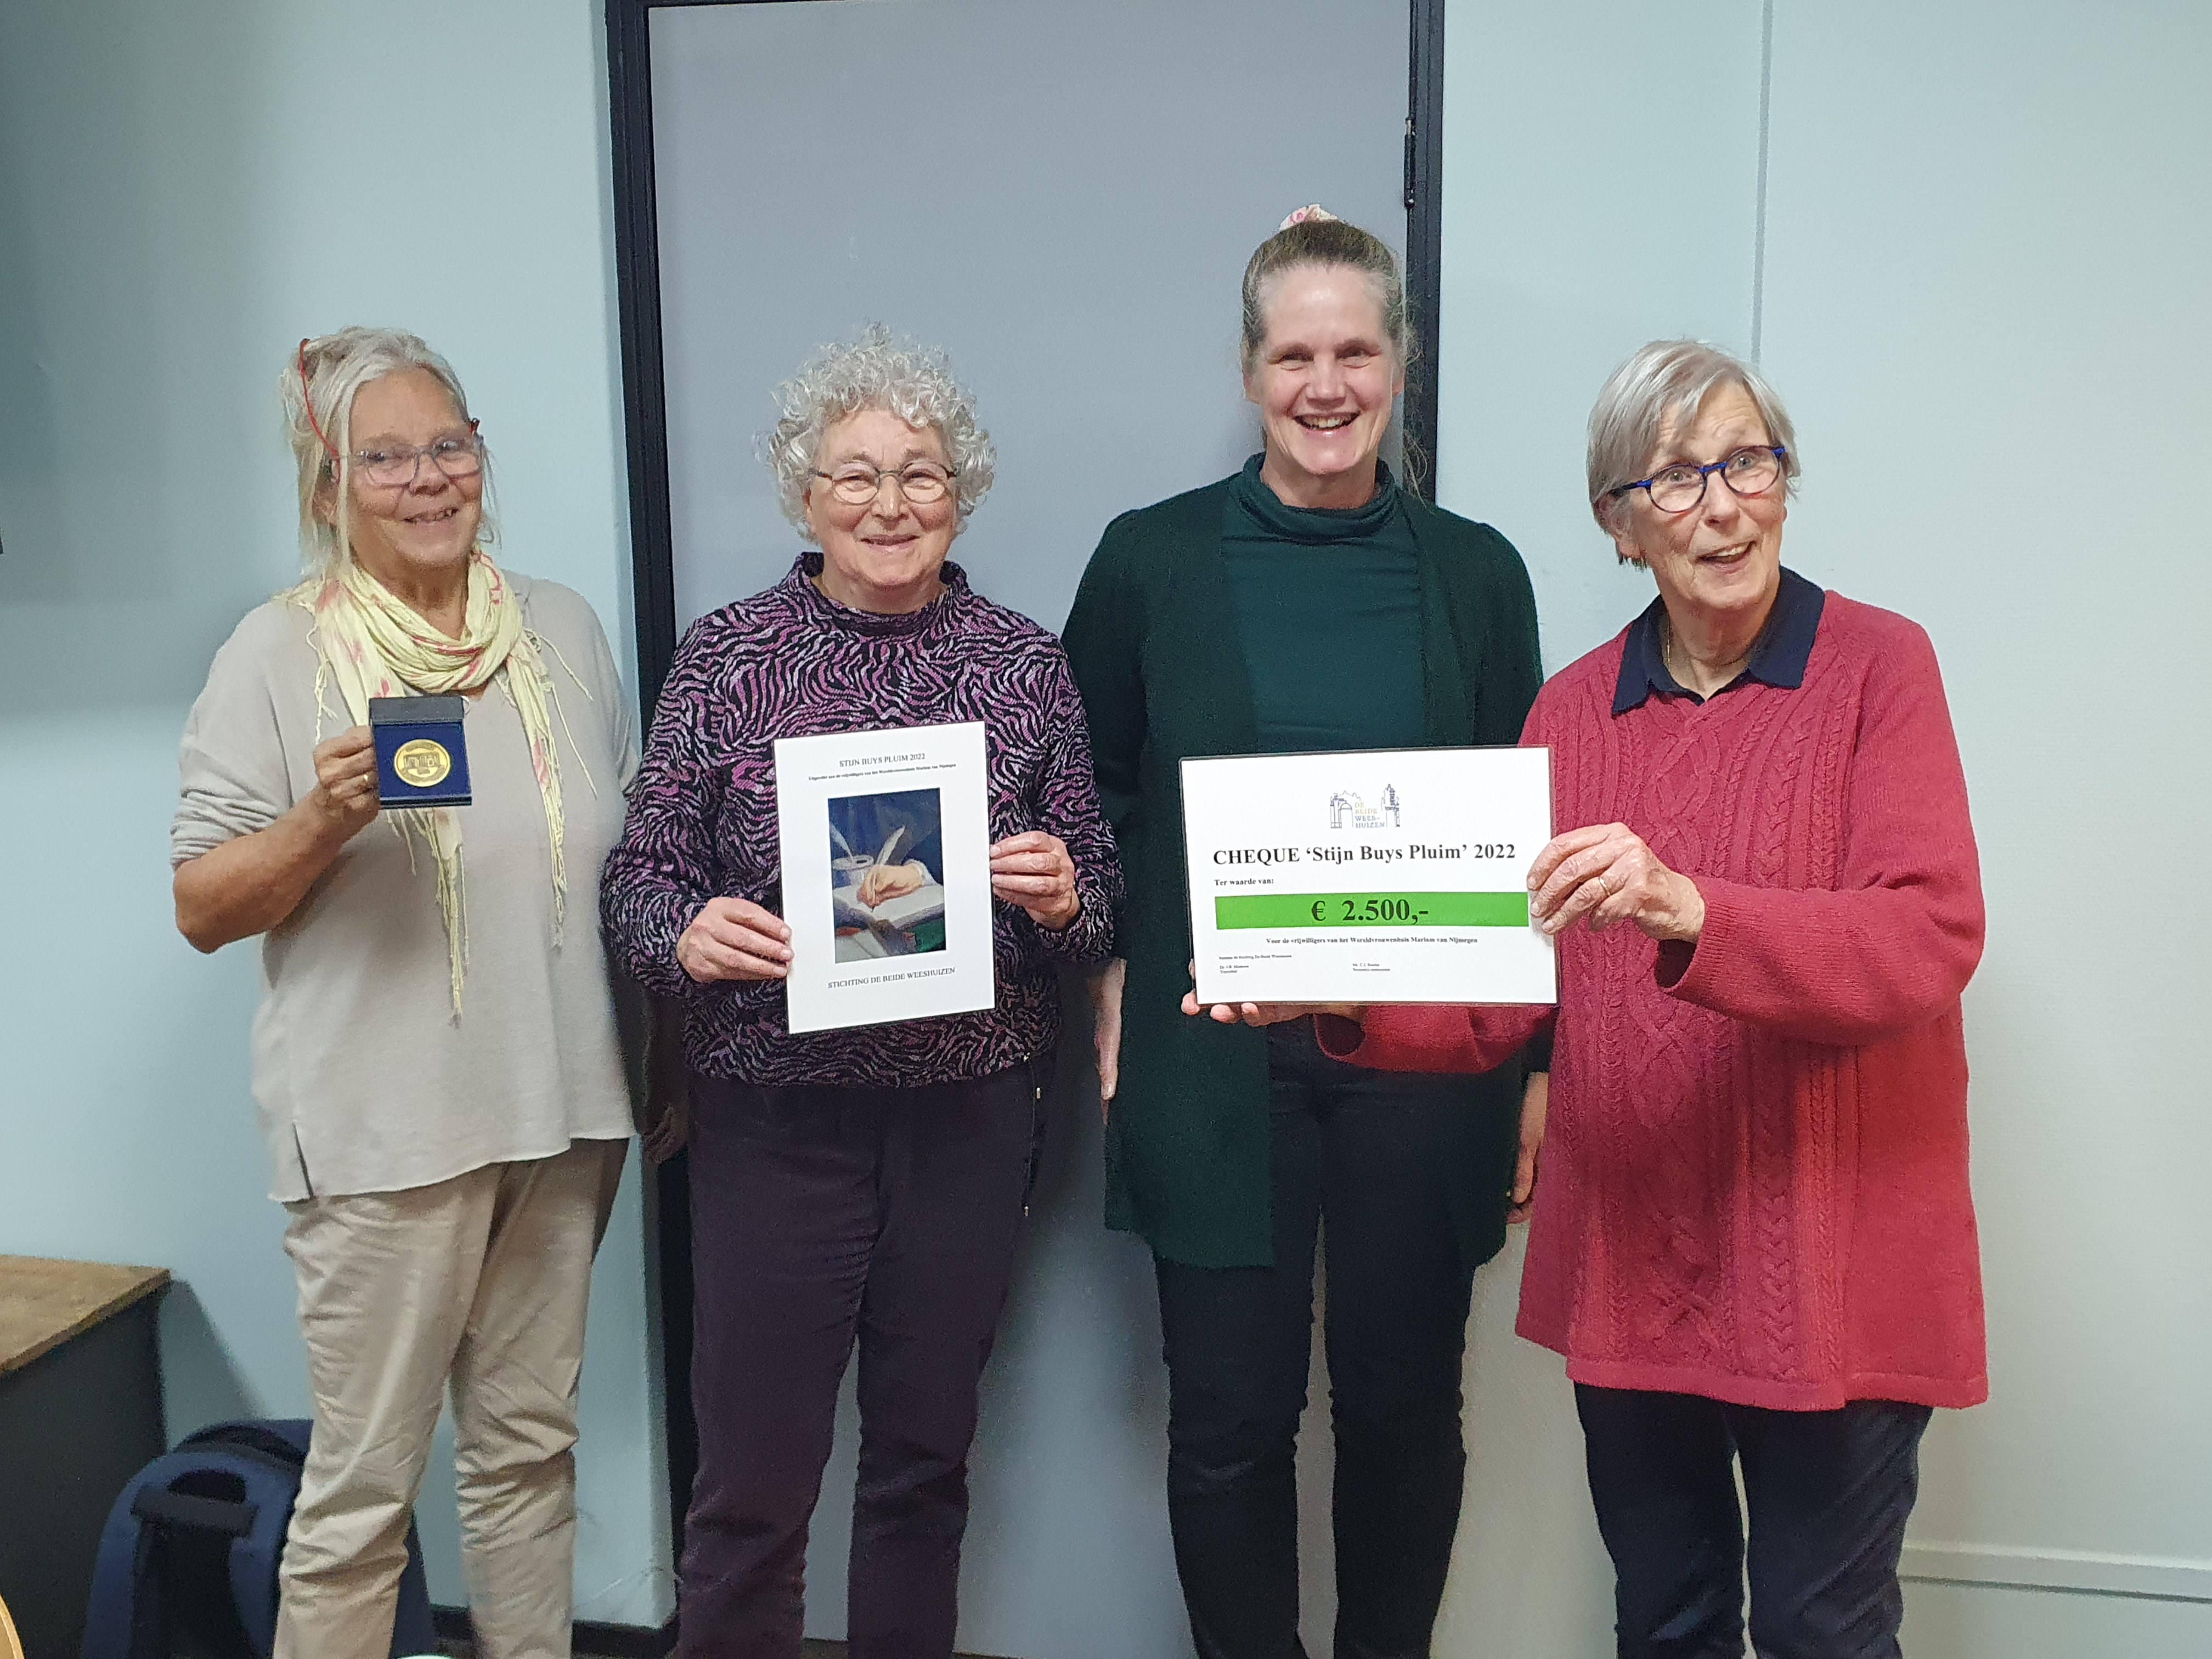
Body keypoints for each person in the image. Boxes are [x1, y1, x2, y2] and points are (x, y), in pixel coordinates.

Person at [1193, 339, 1989, 1659]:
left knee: (1820, 1632)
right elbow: (1501, 993)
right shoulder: (1570, 714)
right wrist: (1338, 995)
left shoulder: (1878, 670)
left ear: (1786, 484)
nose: (1722, 504)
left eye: (1747, 462)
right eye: (1675, 479)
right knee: (1664, 1622)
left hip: (1831, 1263)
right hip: (1640, 1255)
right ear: (1619, 525)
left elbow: (1926, 937)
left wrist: (1693, 909)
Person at [1061, 208, 1544, 1659]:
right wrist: (1113, 965)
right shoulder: (1149, 561)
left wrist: (1539, 1069)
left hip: (1427, 1063)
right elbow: (1098, 789)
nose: (1325, 384)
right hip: (1215, 1061)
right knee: (1226, 1419)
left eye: (1355, 351)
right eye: (1294, 354)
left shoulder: (1478, 572)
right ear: (1251, 369)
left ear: (1399, 365)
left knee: (1403, 1412)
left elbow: (1529, 829)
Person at [599, 328, 1121, 1659]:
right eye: (857, 477)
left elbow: (1103, 902)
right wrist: (688, 931)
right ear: (804, 492)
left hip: (968, 1124)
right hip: (775, 1128)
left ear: (963, 493)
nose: (891, 504)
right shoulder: (726, 657)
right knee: (752, 1491)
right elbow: (639, 876)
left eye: (923, 474)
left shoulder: (1023, 661)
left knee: (919, 1472)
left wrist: (1063, 895)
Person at [171, 328, 640, 1659]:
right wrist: (319, 823)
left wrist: (659, 1074)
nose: (428, 479)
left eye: (450, 445)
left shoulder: (558, 626)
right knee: (366, 1492)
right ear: (327, 486)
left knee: (527, 1457)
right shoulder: (275, 653)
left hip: (565, 1114)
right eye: (385, 457)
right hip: (384, 1139)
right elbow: (204, 905)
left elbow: (620, 873)